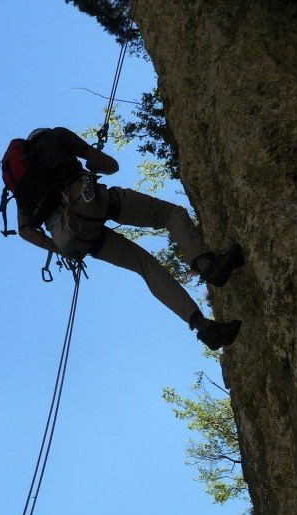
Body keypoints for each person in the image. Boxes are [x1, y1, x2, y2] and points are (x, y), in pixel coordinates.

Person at [15, 127, 244, 350]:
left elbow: (25, 230)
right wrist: (94, 163)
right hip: (87, 200)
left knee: (144, 265)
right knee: (171, 214)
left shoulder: (23, 182)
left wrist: (60, 248)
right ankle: (208, 265)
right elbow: (111, 166)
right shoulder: (57, 136)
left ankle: (205, 328)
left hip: (70, 237)